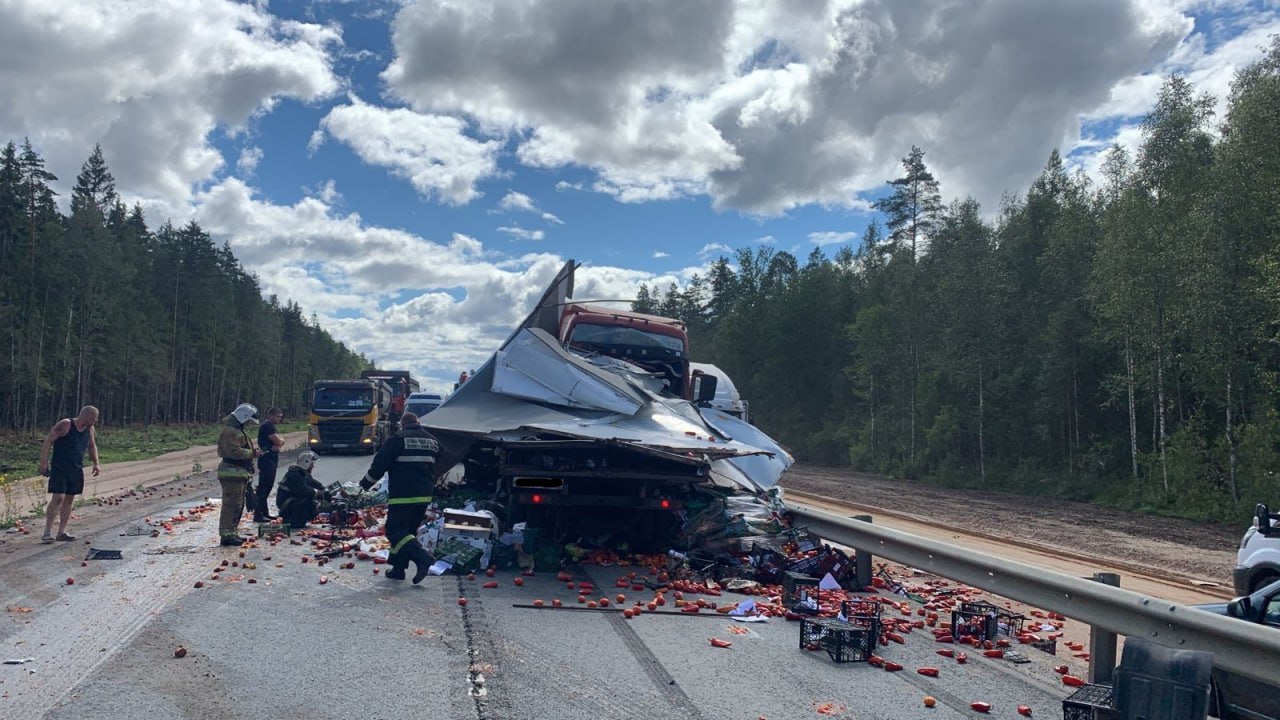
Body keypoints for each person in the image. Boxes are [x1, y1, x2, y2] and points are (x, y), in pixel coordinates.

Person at [358, 412, 439, 583]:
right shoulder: (432, 440)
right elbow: (440, 463)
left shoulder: (398, 439)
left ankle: (422, 558)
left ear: (402, 425)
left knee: (395, 531)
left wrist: (365, 484)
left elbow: (381, 461)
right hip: (424, 494)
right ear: (418, 423)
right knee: (407, 532)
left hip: (403, 493)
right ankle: (398, 569)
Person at [37, 406, 101, 543]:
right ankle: (47, 532)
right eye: (94, 418)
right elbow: (48, 440)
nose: (95, 421)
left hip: (76, 468)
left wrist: (96, 463)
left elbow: (91, 445)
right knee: (58, 497)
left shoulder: (90, 429)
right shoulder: (66, 424)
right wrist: (43, 462)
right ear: (87, 416)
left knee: (69, 499)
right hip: (60, 467)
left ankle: (62, 532)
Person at [216, 403, 261, 547]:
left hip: (238, 473)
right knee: (231, 504)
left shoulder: (238, 431)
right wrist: (252, 453)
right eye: (248, 421)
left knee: (238, 504)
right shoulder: (231, 432)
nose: (248, 424)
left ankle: (232, 533)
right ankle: (226, 536)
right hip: (231, 473)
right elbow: (233, 452)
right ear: (242, 417)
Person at [276, 451, 327, 529]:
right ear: (306, 463)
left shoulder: (303, 473)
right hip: (286, 503)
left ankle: (295, 517)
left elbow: (313, 483)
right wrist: (319, 493)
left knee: (312, 503)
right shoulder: (294, 475)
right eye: (311, 464)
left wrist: (325, 491)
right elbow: (304, 490)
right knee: (307, 500)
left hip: (291, 500)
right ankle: (295, 520)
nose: (313, 466)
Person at [253, 407, 285, 522]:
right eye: (278, 416)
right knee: (264, 487)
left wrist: (280, 442)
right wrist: (280, 441)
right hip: (267, 460)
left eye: (280, 417)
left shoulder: (271, 426)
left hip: (270, 460)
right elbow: (278, 441)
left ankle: (264, 512)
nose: (279, 419)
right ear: (270, 415)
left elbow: (280, 441)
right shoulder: (268, 426)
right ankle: (258, 514)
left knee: (267, 486)